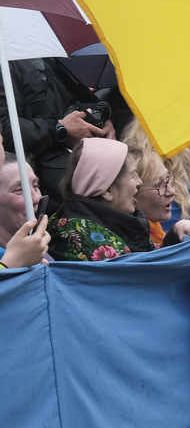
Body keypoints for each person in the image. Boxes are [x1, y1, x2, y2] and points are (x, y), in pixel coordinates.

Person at [0, 57, 115, 196]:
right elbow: (5, 131)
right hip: (41, 175)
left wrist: (102, 116)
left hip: (75, 158)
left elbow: (78, 94)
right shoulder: (8, 58)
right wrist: (60, 129)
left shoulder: (39, 51)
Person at [47, 138, 155, 261]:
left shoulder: (114, 223)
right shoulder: (81, 237)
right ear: (107, 190)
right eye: (132, 175)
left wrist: (174, 237)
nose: (139, 182)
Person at [0, 153, 50, 269]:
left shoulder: (41, 254)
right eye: (19, 189)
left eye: (35, 186)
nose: (36, 198)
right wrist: (12, 264)